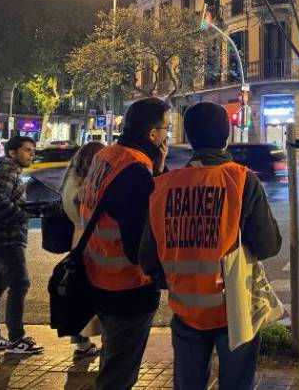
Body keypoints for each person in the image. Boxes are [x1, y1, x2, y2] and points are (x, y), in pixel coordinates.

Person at [140, 102, 282, 390]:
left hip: (186, 307)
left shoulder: (162, 186)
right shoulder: (241, 180)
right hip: (235, 307)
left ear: (189, 138)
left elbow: (148, 258)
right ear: (226, 136)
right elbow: (268, 245)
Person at [78, 97, 170, 390]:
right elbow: (137, 246)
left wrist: (157, 168)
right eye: (166, 128)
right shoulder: (135, 173)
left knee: (113, 359)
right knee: (118, 375)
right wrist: (162, 276)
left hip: (97, 277)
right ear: (152, 135)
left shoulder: (108, 157)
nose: (167, 134)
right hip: (127, 289)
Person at [0, 135, 43, 354]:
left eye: (33, 151)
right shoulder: (6, 170)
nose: (31, 154)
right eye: (27, 150)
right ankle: (16, 339)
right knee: (20, 284)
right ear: (12, 152)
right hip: (6, 238)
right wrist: (21, 216)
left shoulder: (9, 171)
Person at [59, 140, 105, 360]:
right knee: (98, 294)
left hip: (77, 241)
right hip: (92, 241)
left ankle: (82, 343)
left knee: (80, 293)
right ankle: (103, 341)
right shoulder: (87, 187)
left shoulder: (70, 182)